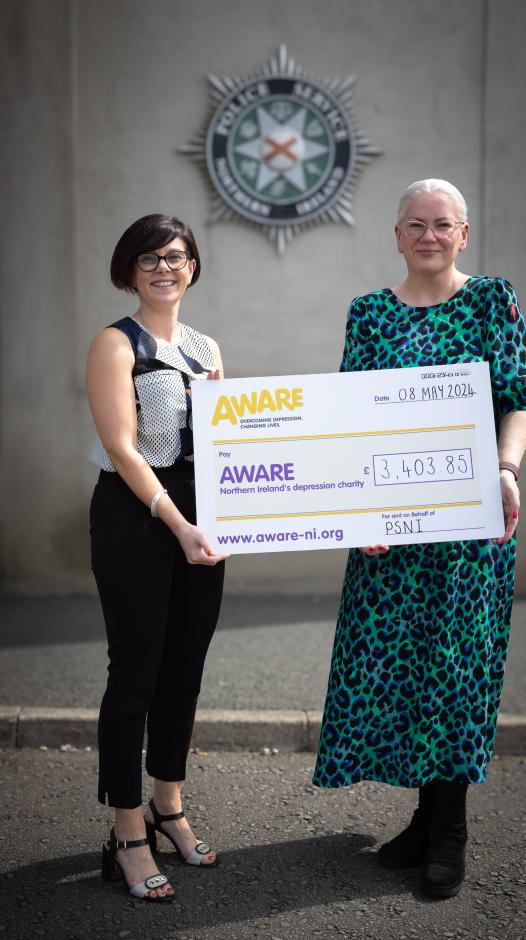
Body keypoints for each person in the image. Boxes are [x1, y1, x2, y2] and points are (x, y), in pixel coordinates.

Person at [312, 179, 526, 898]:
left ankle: (450, 832)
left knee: (456, 673)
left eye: (443, 225)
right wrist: (359, 513)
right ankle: (423, 816)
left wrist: (505, 469)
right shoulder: (370, 314)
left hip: (469, 530)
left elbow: (519, 399)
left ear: (463, 234)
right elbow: (351, 418)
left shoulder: (491, 299)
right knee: (402, 674)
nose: (430, 235)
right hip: (391, 536)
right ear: (397, 234)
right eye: (417, 224)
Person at [87, 214, 228, 902]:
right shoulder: (116, 345)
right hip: (138, 518)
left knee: (184, 672)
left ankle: (168, 805)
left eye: (175, 257)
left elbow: (235, 444)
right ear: (129, 269)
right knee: (135, 675)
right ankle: (126, 832)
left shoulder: (206, 347)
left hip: (202, 522)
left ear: (192, 266)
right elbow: (123, 447)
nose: (164, 268)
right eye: (149, 259)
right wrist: (177, 523)